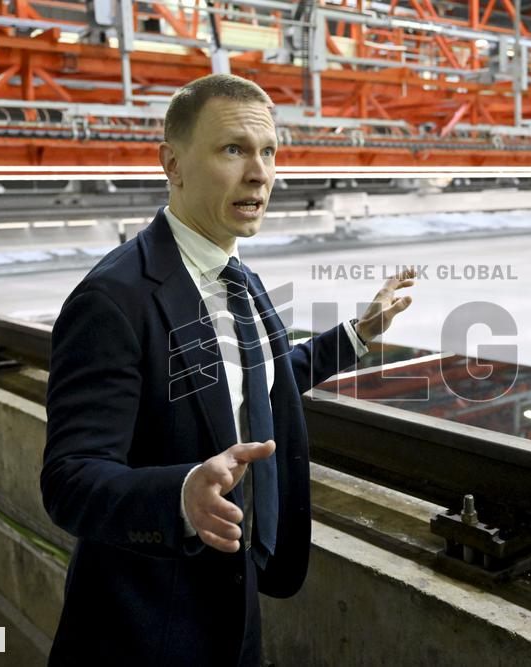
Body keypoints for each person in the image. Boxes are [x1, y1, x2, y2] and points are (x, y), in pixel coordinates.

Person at [40, 73, 414, 665]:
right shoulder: (115, 299)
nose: (261, 173)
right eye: (233, 149)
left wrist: (356, 336)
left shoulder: (238, 279)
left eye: (268, 152)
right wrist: (180, 495)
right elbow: (69, 479)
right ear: (173, 163)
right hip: (147, 626)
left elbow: (255, 379)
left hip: (235, 605)